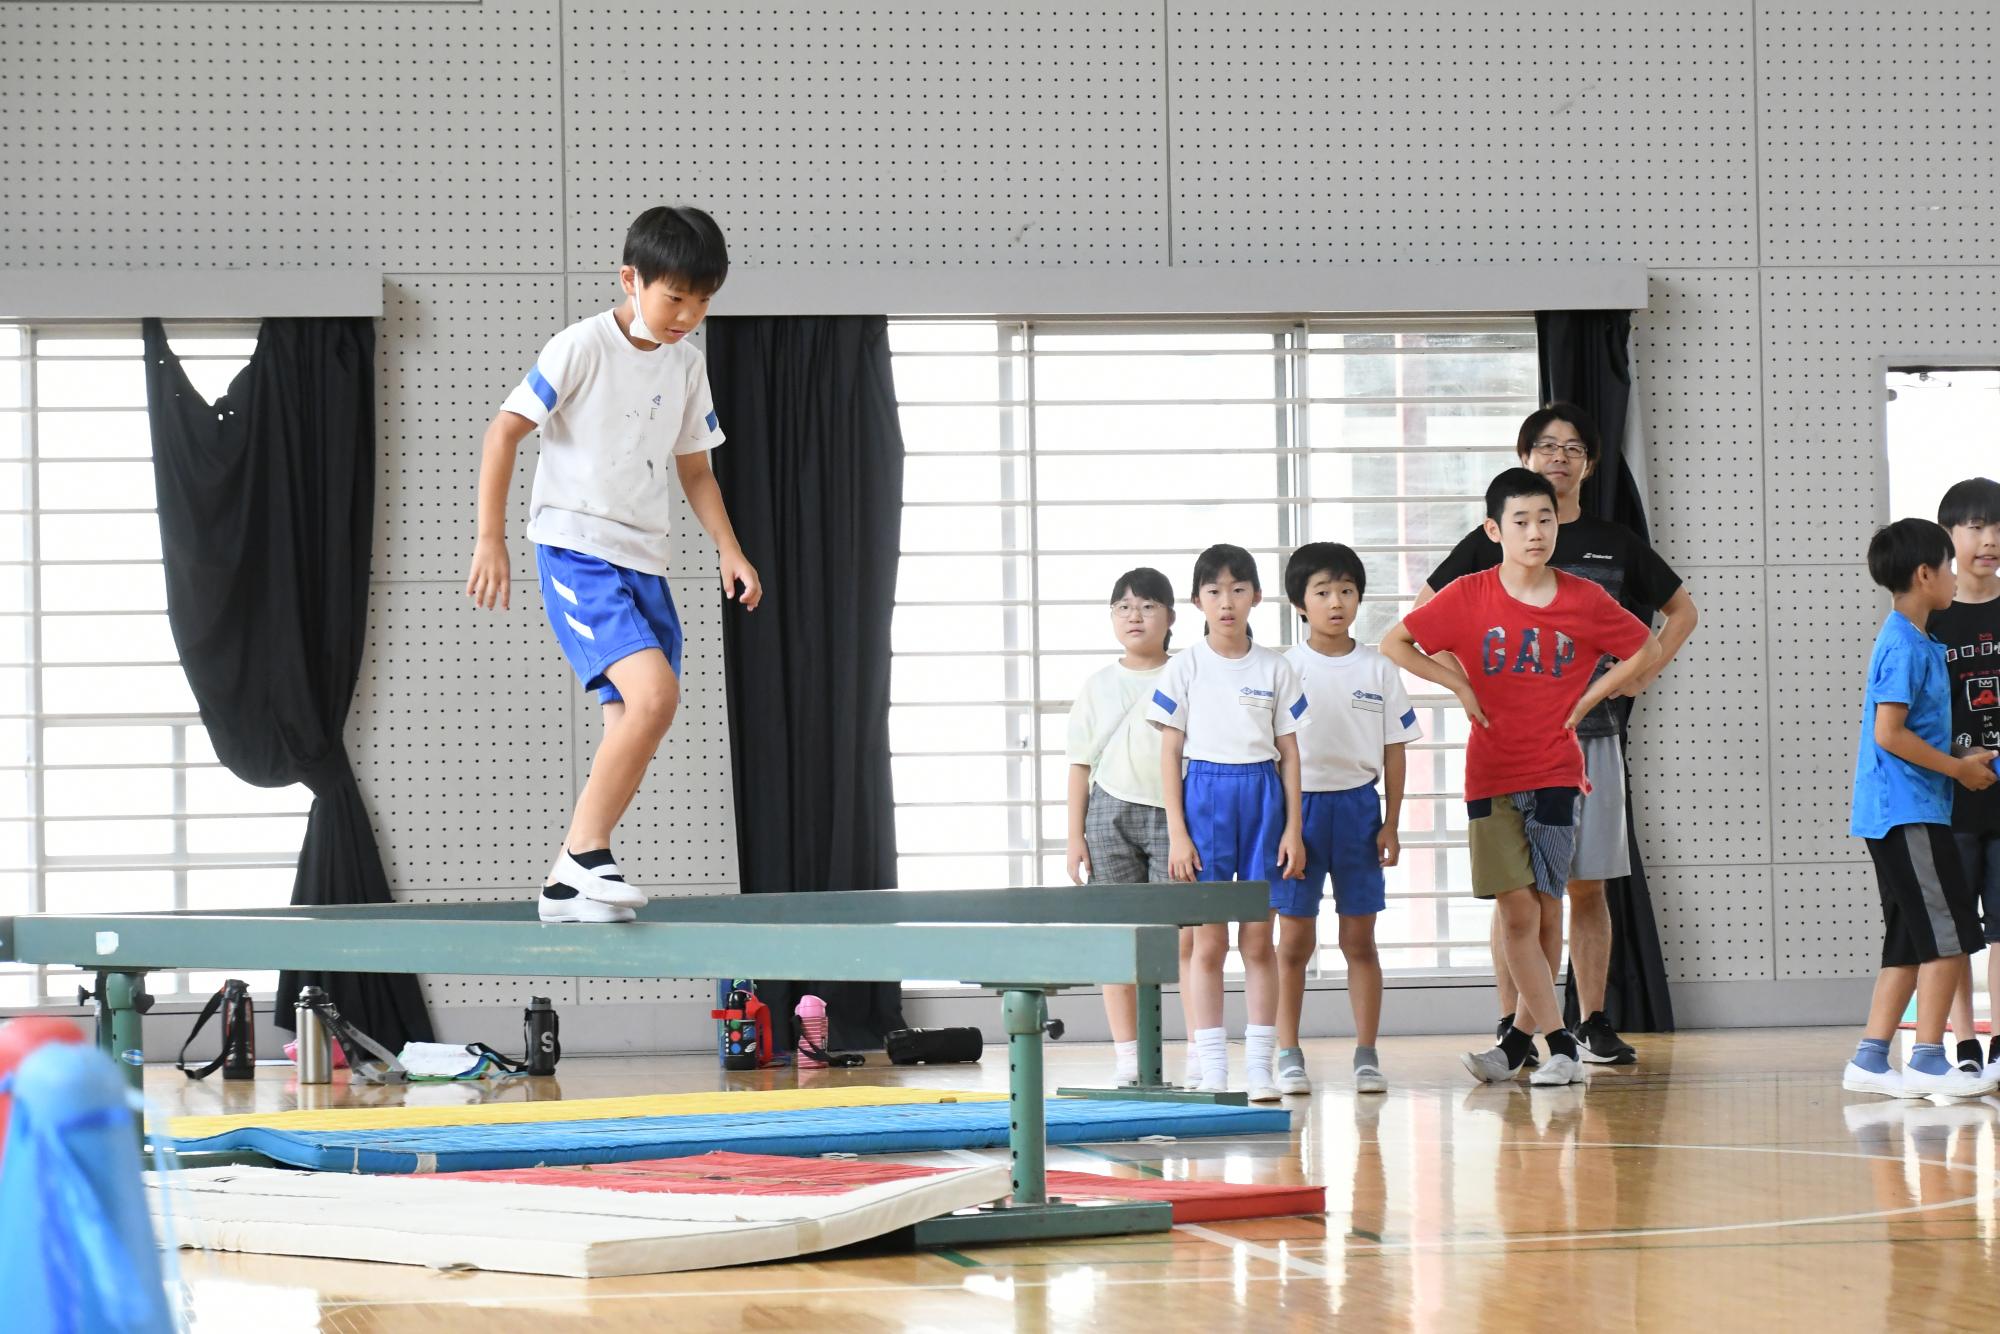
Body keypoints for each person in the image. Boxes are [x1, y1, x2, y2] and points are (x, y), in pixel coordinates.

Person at [464, 205, 763, 923]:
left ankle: (572, 884)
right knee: (655, 697)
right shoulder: (581, 346)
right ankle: (582, 855)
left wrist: (730, 547)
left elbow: (695, 471)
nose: (687, 314)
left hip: (645, 561)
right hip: (577, 550)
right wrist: (490, 538)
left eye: (702, 301)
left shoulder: (688, 367)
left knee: (636, 716)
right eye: (674, 297)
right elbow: (504, 433)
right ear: (631, 279)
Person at [1417, 402, 1697, 1065]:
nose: (1560, 457)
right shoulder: (1498, 536)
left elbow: (1680, 610)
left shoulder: (1613, 540)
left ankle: (1591, 1020)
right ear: (1525, 459)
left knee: (1587, 884)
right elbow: (1429, 614)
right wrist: (1467, 685)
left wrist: (1641, 674)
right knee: (1519, 891)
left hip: (1591, 735)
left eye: (1574, 448)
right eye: (1547, 446)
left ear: (1590, 465)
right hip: (1512, 744)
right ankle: (1517, 1024)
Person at [1384, 468, 1658, 1086]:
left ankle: (1523, 1046)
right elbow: (1395, 643)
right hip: (1490, 775)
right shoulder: (1469, 594)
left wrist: (1590, 699)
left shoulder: (1585, 599)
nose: (1536, 532)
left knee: (1546, 906)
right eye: (1521, 521)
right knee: (1514, 913)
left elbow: (1645, 649)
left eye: (1546, 519)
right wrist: (1458, 683)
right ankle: (1557, 1041)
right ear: (1494, 529)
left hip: (1558, 774)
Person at [1843, 518, 1998, 1099]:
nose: (1957, 576)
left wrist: (1961, 752)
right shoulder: (1904, 644)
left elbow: (1919, 730)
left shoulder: (1920, 640)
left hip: (1907, 810)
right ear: (1925, 573)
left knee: (1911, 938)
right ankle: (1930, 1058)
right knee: (1950, 935)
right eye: (1949, 566)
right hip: (1909, 813)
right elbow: (1890, 733)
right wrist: (1958, 770)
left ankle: (1870, 1057)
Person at [1148, 545, 1310, 1101]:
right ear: (1197, 601)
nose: (1226, 602)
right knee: (1209, 942)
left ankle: (1261, 1067)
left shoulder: (1275, 666)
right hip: (1205, 799)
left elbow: (1290, 754)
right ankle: (1213, 1065)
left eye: (1237, 590)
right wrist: (1177, 832)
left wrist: (1292, 828)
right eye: (1214, 592)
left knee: (1259, 941)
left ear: (1256, 597)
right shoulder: (1185, 666)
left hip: (1263, 797)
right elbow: (1170, 754)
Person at [1279, 541, 1420, 1095]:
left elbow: (1396, 749)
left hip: (1360, 810)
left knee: (1359, 940)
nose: (1336, 601)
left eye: (1346, 590)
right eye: (1322, 592)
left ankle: (1366, 1055)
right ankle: (1288, 1053)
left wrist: (1391, 821)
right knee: (1293, 942)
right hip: (1299, 811)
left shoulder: (1379, 668)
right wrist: (1286, 824)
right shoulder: (1284, 668)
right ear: (1299, 604)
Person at [1065, 567, 1188, 1085]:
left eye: (1148, 605)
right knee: (1116, 940)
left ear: (1171, 617)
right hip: (1108, 814)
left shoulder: (1188, 671)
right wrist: (1075, 836)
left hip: (1174, 814)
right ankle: (1126, 1060)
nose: (1135, 616)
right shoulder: (1098, 685)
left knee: (1178, 941)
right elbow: (1079, 765)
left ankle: (1179, 1051)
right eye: (1124, 607)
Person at [1933, 479, 2000, 1080]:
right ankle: (1965, 1045)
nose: (1989, 539)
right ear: (1950, 536)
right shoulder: (1931, 618)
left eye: (1997, 527)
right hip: (1950, 797)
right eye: (1976, 527)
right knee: (1955, 929)